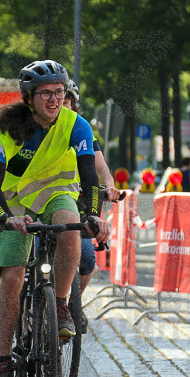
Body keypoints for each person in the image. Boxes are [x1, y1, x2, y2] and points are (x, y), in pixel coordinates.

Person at [0, 60, 108, 377]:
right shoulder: (7, 128)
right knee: (14, 276)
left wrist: (94, 215)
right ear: (29, 97)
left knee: (70, 230)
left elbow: (90, 176)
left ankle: (61, 305)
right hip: (9, 200)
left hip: (54, 192)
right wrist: (7, 217)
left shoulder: (75, 124)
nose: (54, 99)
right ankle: (5, 364)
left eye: (59, 92)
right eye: (46, 93)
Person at [65, 79, 118, 313]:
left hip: (77, 203)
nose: (61, 105)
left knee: (87, 259)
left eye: (67, 101)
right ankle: (28, 314)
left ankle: (73, 306)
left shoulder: (81, 129)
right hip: (40, 201)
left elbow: (99, 167)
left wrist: (110, 184)